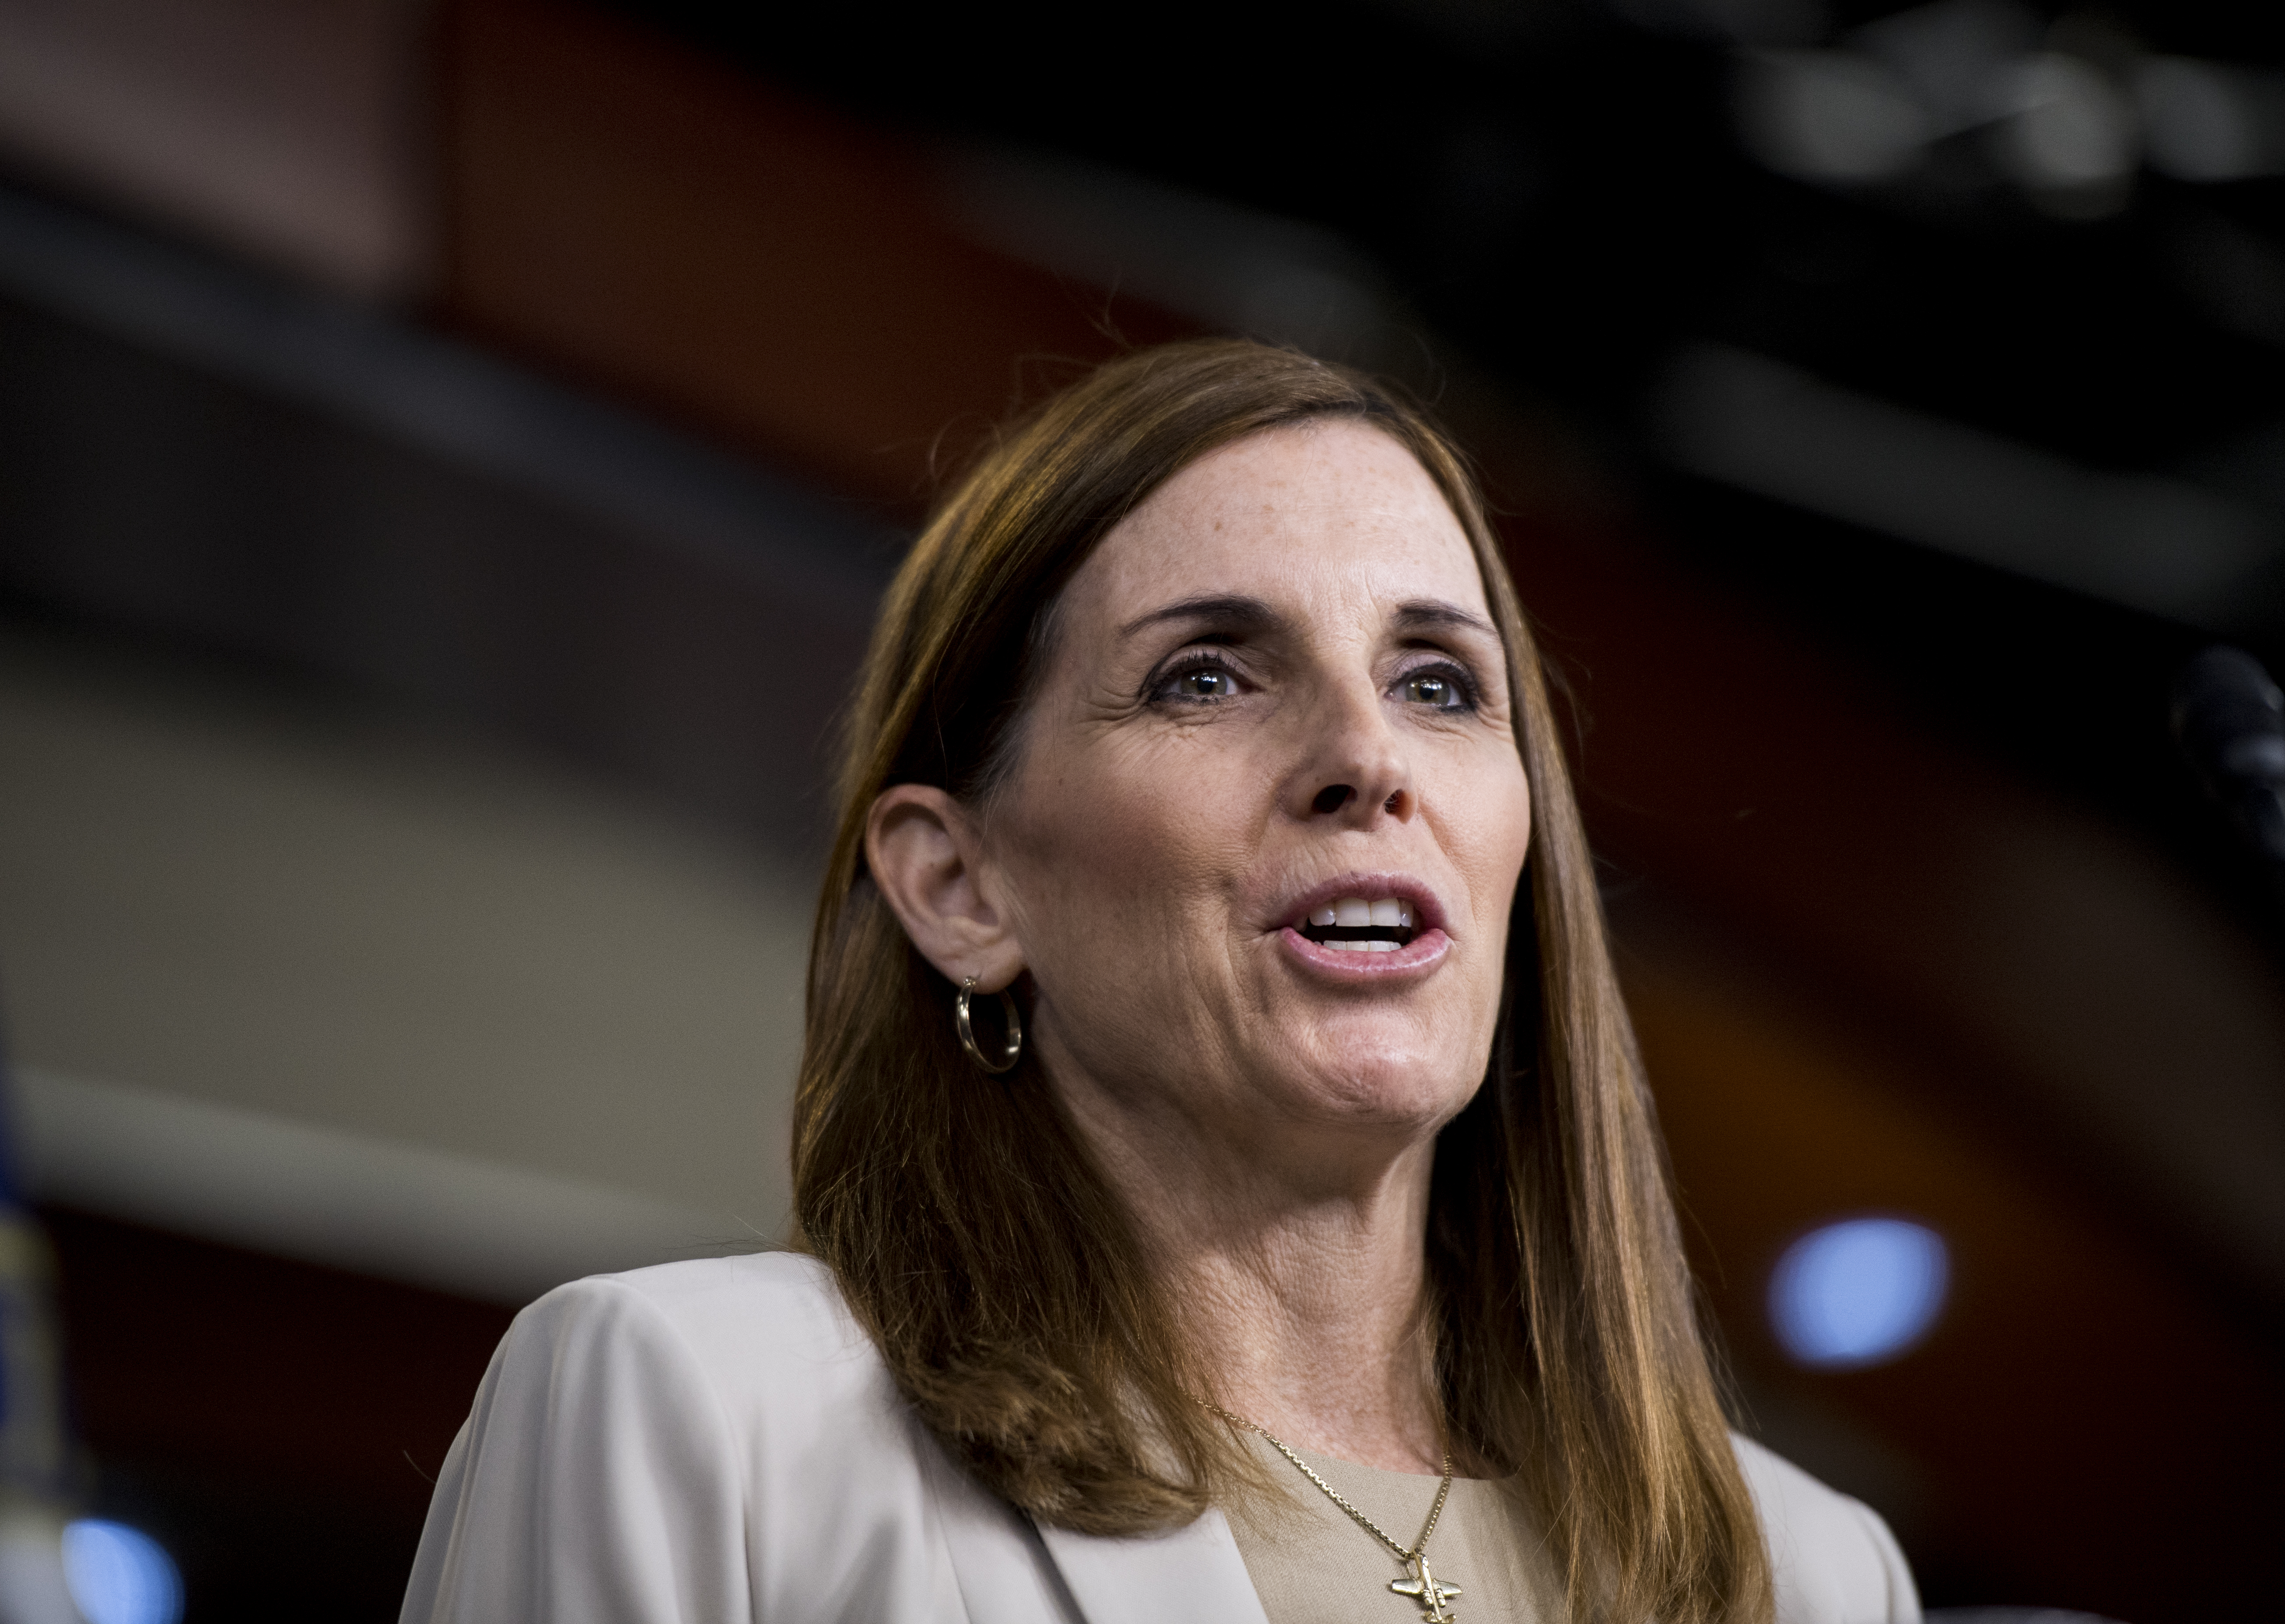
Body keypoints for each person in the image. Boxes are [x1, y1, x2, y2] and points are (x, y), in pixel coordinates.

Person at [398, 340, 1919, 1624]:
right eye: (1208, 674)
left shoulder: (1816, 1576)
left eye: (1439, 682)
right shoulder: (696, 1417)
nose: (1368, 761)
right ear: (961, 886)